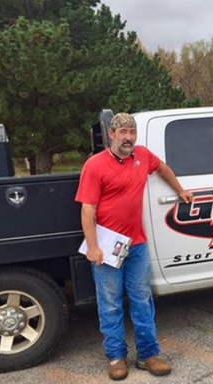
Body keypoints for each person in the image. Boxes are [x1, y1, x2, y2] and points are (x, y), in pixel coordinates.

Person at [76, 113, 193, 380]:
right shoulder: (95, 165)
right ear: (112, 134)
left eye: (132, 132)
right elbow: (87, 210)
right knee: (110, 304)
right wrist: (93, 247)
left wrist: (180, 190)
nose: (128, 137)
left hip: (136, 245)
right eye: (123, 132)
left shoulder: (142, 156)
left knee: (142, 300)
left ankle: (148, 355)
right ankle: (116, 357)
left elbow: (163, 168)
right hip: (107, 249)